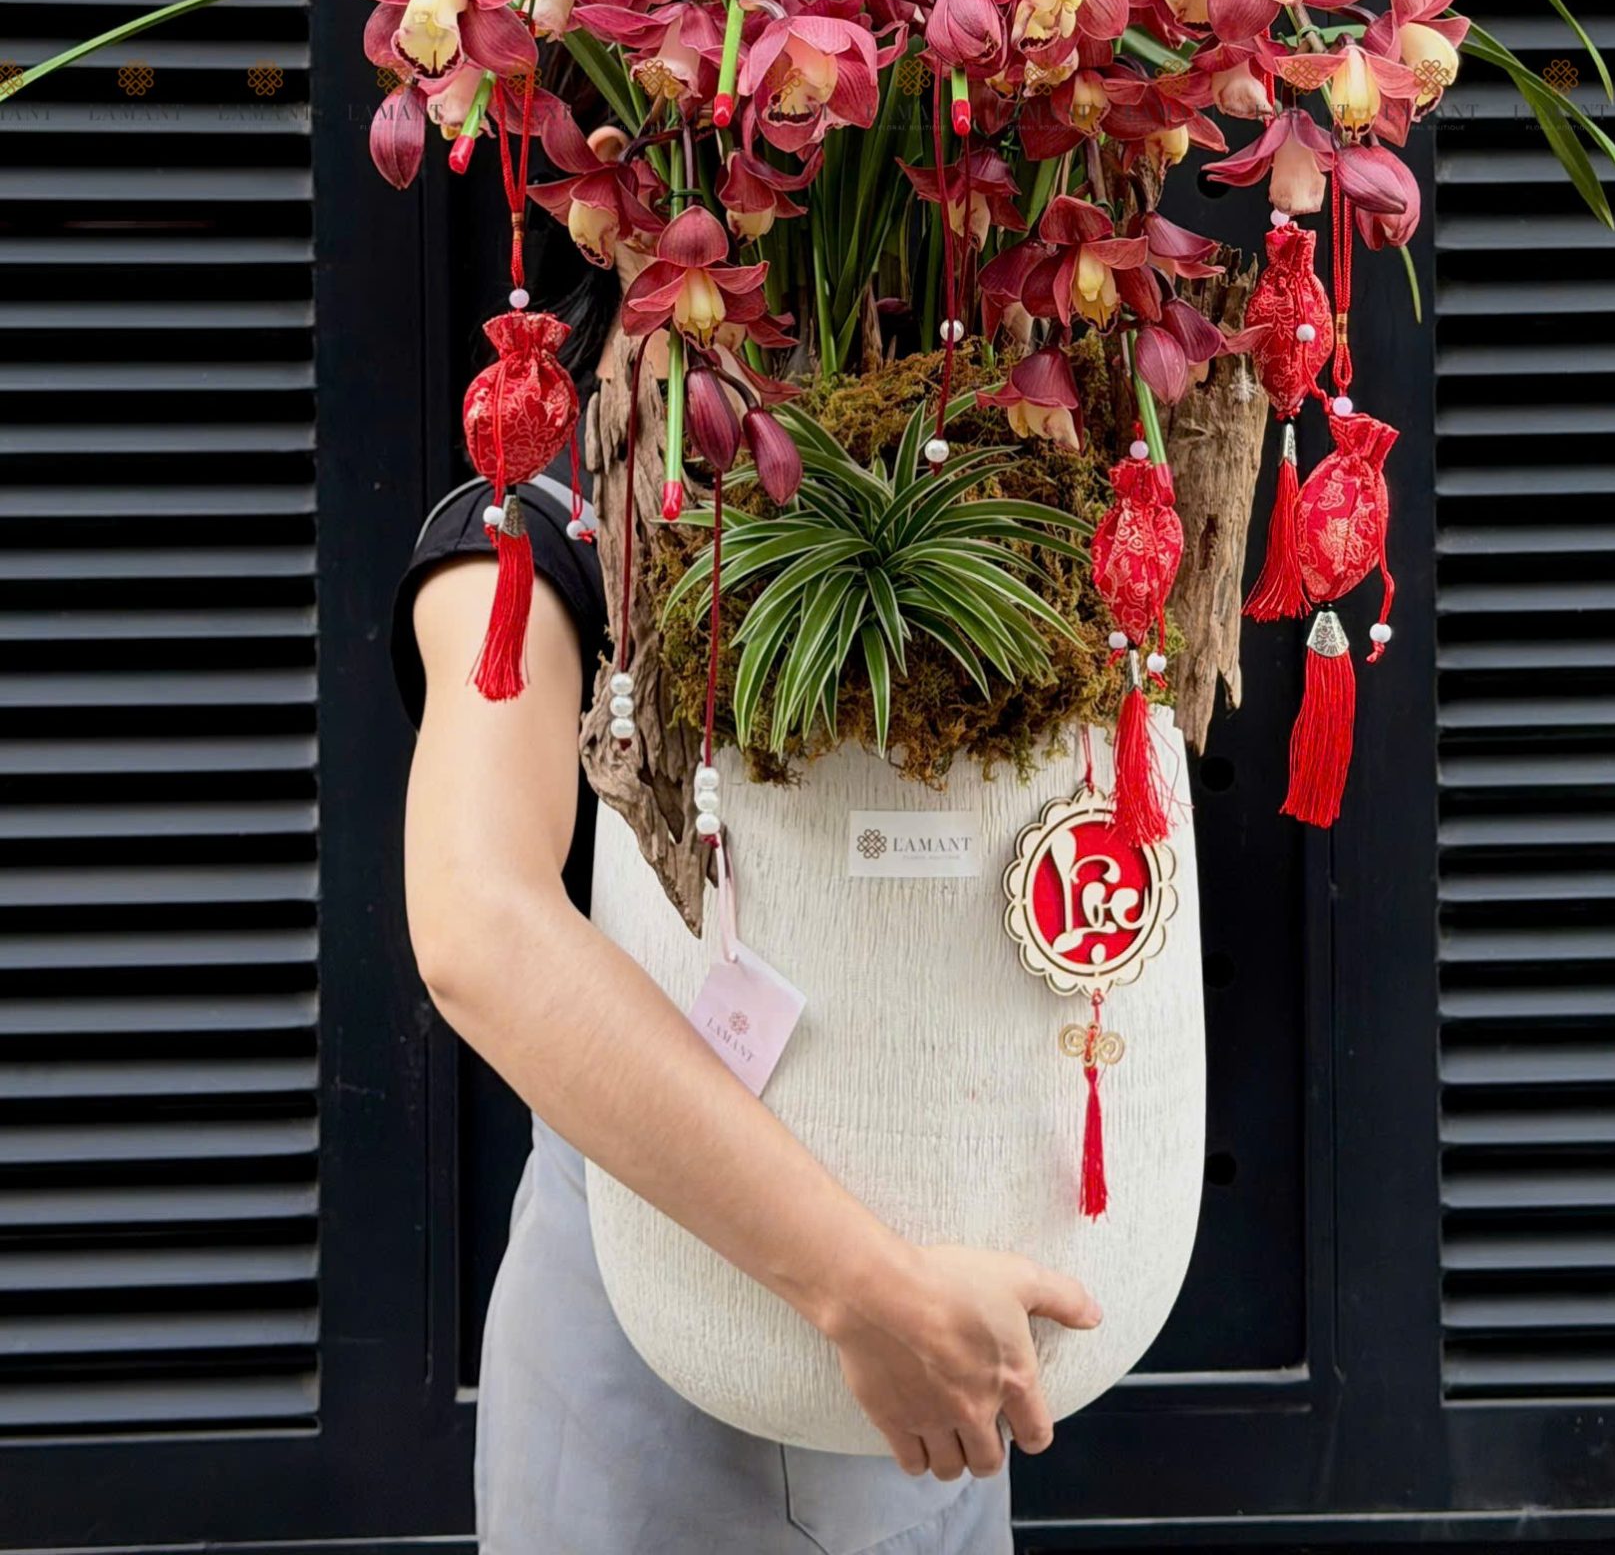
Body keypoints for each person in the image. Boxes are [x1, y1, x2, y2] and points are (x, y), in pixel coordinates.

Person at [393, 195, 1101, 1555]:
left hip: (935, 1329)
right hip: (690, 1322)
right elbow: (479, 925)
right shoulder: (538, 528)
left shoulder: (924, 490)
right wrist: (858, 1284)